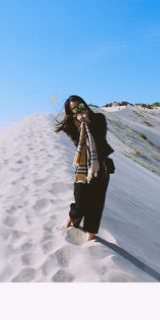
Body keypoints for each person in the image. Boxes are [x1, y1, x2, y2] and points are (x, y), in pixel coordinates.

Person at [55, 95, 114, 242]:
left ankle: (90, 237)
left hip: (101, 165)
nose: (79, 110)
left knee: (96, 202)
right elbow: (79, 145)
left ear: (85, 104)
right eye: (75, 109)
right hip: (83, 166)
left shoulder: (99, 118)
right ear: (71, 112)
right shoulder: (71, 126)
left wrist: (88, 122)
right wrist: (80, 124)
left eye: (80, 106)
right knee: (80, 199)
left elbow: (100, 141)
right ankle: (69, 220)